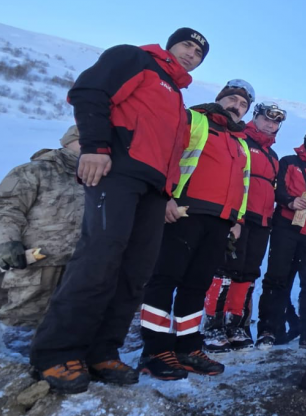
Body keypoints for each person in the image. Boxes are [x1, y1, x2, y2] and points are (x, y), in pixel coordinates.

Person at [30, 27, 208, 394]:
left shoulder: (176, 95)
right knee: (99, 259)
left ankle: (102, 351)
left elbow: (168, 148)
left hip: (154, 190)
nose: (191, 54)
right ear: (171, 44)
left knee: (135, 272)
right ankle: (57, 351)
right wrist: (95, 145)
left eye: (198, 53)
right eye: (187, 46)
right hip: (118, 173)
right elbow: (89, 91)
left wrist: (169, 192)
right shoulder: (136, 58)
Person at [138, 81, 253, 380]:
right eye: (231, 99)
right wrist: (165, 198)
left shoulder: (241, 144)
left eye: (242, 105)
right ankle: (155, 349)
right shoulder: (194, 119)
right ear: (219, 100)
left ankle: (188, 347)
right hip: (184, 212)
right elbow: (166, 155)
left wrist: (237, 221)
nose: (236, 106)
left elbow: (242, 186)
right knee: (164, 279)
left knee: (197, 285)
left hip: (219, 221)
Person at [202, 102, 284, 353]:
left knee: (248, 272)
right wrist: (233, 217)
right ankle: (213, 324)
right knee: (226, 269)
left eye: (276, 122)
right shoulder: (241, 140)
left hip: (262, 220)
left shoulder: (272, 155)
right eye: (266, 119)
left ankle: (235, 323)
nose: (271, 125)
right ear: (255, 117)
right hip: (239, 215)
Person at [0, 126, 84, 328]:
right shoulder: (33, 171)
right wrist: (8, 242)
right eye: (81, 140)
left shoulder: (98, 177)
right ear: (66, 142)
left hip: (80, 263)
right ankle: (11, 360)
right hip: (38, 261)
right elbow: (8, 208)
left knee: (70, 321)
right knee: (23, 319)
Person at [257, 124, 306, 350]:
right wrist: (290, 201)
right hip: (286, 228)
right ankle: (269, 330)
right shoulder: (289, 162)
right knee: (277, 279)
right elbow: (278, 189)